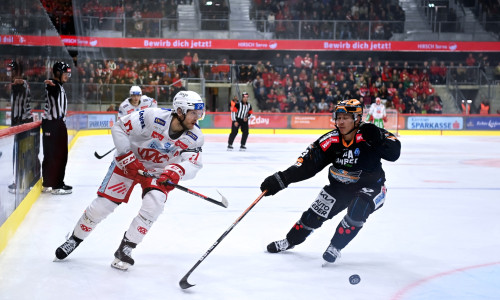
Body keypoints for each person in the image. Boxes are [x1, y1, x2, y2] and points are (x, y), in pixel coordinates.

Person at [54, 91, 205, 271]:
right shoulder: (152, 116)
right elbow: (119, 127)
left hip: (158, 172)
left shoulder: (195, 136)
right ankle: (74, 239)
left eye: (200, 113)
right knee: (102, 206)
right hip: (128, 164)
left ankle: (126, 248)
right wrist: (126, 155)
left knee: (154, 205)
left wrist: (176, 171)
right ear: (180, 111)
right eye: (193, 113)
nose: (197, 118)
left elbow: (193, 164)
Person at [260, 99, 401, 264]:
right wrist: (281, 179)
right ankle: (289, 241)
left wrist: (379, 141)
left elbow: (394, 152)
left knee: (358, 208)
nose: (340, 122)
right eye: (338, 117)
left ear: (357, 118)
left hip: (371, 187)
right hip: (339, 188)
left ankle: (336, 246)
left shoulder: (370, 133)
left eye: (345, 117)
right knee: (312, 217)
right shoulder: (331, 140)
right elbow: (307, 164)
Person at [42, 61, 72, 195]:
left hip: (53, 124)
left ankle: (49, 183)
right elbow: (51, 90)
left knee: (51, 155)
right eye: (65, 73)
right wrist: (51, 87)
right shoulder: (54, 86)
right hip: (55, 124)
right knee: (58, 155)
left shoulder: (59, 86)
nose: (67, 76)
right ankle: (56, 185)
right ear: (58, 73)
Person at [8, 60, 34, 194]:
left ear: (18, 72)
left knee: (21, 154)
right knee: (19, 153)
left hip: (23, 125)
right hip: (20, 125)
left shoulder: (23, 84)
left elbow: (21, 84)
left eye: (12, 71)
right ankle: (20, 180)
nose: (10, 74)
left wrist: (20, 81)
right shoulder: (16, 86)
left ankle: (21, 181)